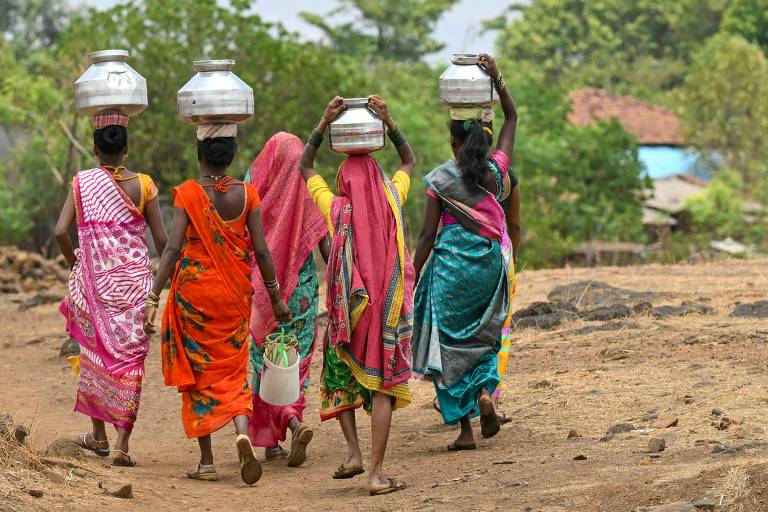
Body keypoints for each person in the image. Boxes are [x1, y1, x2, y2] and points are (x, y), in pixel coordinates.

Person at [142, 124, 291, 484]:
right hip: (234, 297)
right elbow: (260, 250)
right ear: (232, 156)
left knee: (199, 375)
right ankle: (242, 434)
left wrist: (153, 295)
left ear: (200, 156)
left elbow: (173, 249)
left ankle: (207, 461)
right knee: (232, 371)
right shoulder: (248, 193)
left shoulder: (188, 194)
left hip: (194, 297)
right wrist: (276, 297)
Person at [299, 95, 415, 496]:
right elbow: (408, 162)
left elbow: (305, 165)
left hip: (350, 306)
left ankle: (353, 451)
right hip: (386, 307)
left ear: (344, 182)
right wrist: (389, 120)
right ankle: (376, 472)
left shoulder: (335, 207)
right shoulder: (393, 194)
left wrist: (323, 121)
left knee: (340, 373)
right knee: (381, 385)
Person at [411, 53, 516, 451]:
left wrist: (412, 272)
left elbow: (425, 235)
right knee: (483, 337)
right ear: (484, 140)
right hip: (488, 264)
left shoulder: (440, 179)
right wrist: (498, 79)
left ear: (453, 140)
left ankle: (465, 431)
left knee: (448, 343)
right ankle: (486, 394)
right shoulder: (497, 171)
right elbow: (512, 119)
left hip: (450, 268)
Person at [55, 111, 167, 467]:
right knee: (131, 361)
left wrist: (76, 261)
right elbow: (162, 242)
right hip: (135, 284)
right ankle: (121, 443)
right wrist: (166, 282)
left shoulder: (82, 183)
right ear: (127, 147)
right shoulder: (145, 185)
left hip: (94, 284)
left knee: (94, 355)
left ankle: (99, 434)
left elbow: (60, 232)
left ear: (94, 147)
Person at [244, 132, 330, 466]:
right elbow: (325, 246)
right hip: (303, 290)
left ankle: (274, 437)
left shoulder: (253, 188)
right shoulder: (309, 190)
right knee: (295, 358)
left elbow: (238, 234)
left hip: (263, 289)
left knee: (264, 358)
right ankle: (292, 418)